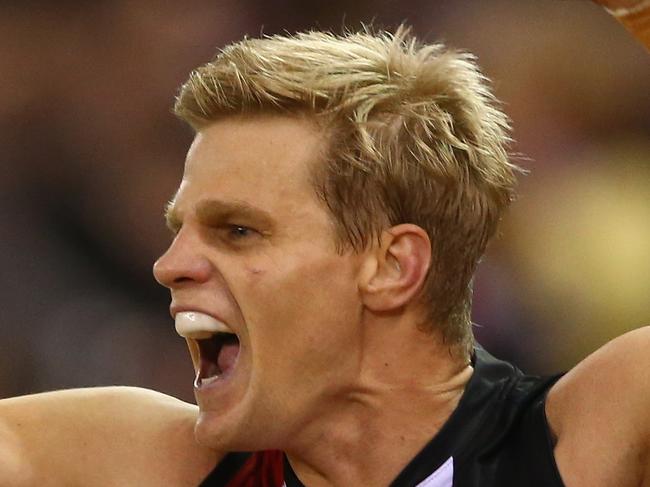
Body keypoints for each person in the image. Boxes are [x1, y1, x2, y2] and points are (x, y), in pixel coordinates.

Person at [1, 1, 648, 486]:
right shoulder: (164, 462)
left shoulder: (576, 439)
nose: (169, 266)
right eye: (180, 228)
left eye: (238, 231)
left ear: (392, 265)